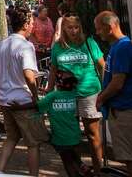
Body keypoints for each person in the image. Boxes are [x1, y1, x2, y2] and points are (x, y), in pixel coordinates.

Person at [47, 12, 106, 173]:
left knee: (92, 133)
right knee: (67, 134)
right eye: (69, 27)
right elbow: (53, 70)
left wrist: (104, 89)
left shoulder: (89, 43)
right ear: (63, 28)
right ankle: (78, 167)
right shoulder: (58, 47)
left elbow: (102, 65)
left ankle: (98, 170)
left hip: (89, 92)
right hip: (66, 94)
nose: (73, 31)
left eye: (76, 27)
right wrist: (49, 91)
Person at [0, 5, 48, 176]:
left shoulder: (1, 45)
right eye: (31, 23)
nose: (33, 26)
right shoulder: (26, 46)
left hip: (4, 99)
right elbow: (29, 75)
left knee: (11, 137)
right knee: (33, 143)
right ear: (25, 24)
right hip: (22, 100)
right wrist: (35, 96)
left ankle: (0, 171)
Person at [95, 11, 132, 177]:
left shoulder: (122, 47)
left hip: (124, 109)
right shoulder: (117, 46)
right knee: (127, 154)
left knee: (130, 155)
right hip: (118, 109)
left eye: (99, 28)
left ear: (109, 27)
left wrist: (101, 98)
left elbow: (117, 83)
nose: (97, 32)